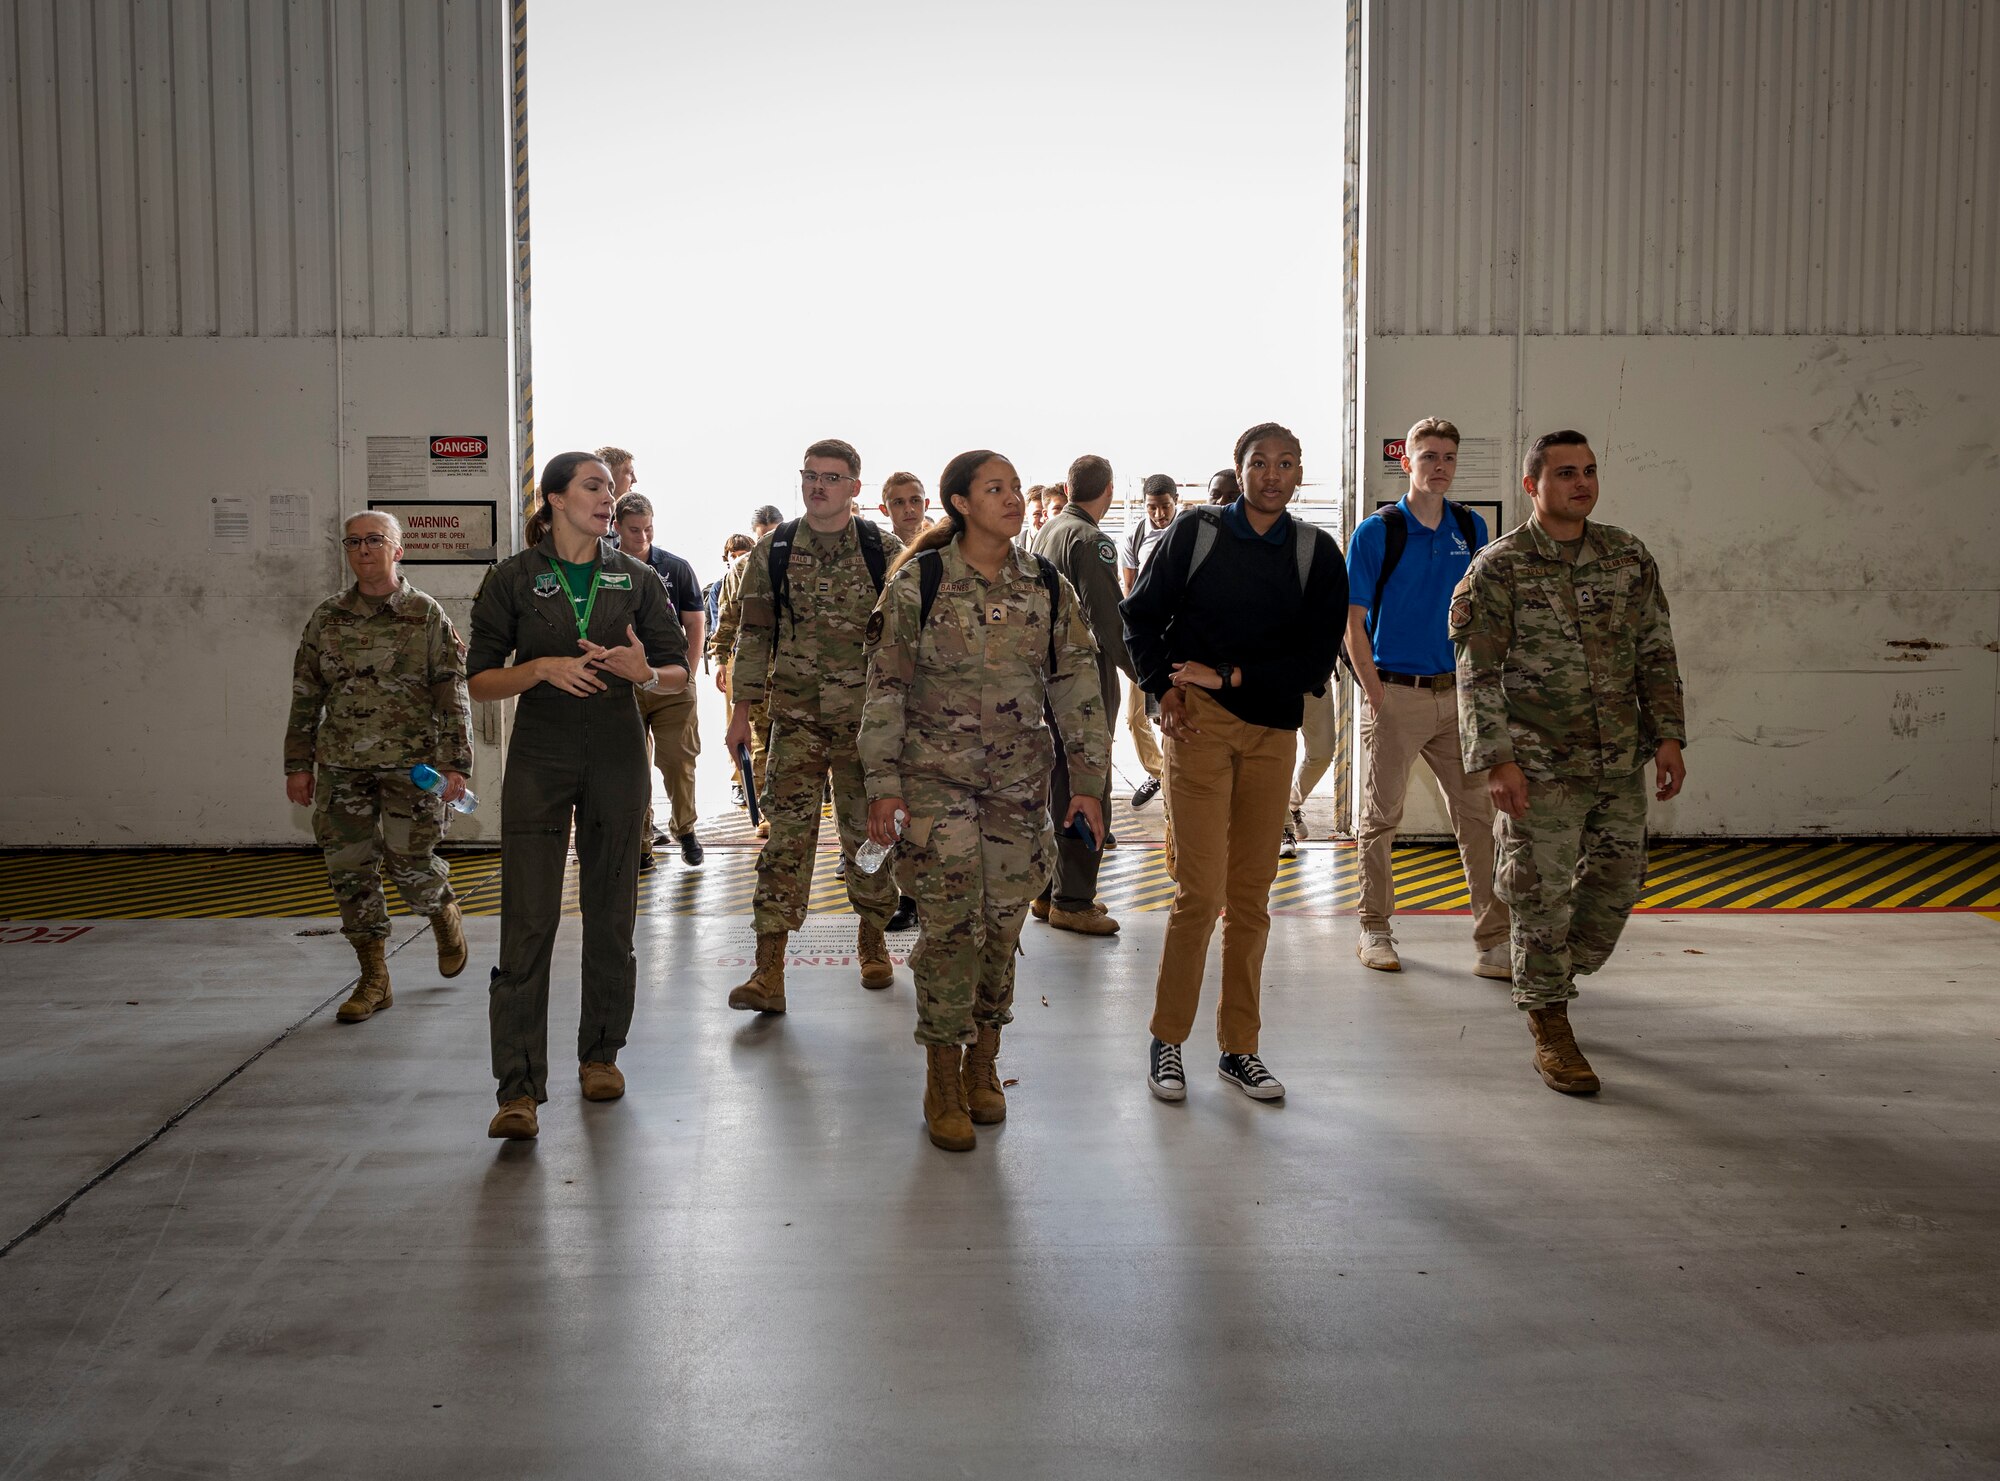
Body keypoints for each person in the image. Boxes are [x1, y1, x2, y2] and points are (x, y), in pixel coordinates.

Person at [859, 449, 1108, 1151]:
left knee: (1001, 927)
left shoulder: (1047, 585)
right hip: (935, 787)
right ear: (962, 503)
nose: (1011, 499)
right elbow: (885, 690)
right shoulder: (920, 584)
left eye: (1012, 487)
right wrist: (883, 786)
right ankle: (942, 1076)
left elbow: (1076, 685)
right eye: (993, 489)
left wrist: (1089, 782)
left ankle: (984, 1065)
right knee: (949, 931)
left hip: (1016, 790)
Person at [1451, 430, 1686, 1095]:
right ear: (1533, 486)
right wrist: (1496, 760)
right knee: (1539, 894)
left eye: (1588, 471)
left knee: (1615, 889)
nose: (1580, 483)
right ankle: (1549, 1021)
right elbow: (1478, 673)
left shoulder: (1626, 556)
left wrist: (1668, 735)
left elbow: (1655, 651)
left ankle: (1548, 972)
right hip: (1538, 767)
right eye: (1564, 473)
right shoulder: (1500, 568)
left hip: (1617, 760)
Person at [466, 452, 690, 1141]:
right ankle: (518, 1089)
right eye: (594, 487)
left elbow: (679, 673)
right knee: (528, 919)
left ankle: (600, 1054)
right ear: (556, 497)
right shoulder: (513, 578)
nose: (608, 499)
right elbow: (479, 680)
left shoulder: (639, 577)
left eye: (612, 489)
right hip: (540, 753)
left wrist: (644, 670)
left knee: (611, 912)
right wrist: (539, 668)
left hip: (619, 753)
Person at [1122, 423, 1346, 1106]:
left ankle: (1239, 1048)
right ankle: (1167, 1039)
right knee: (1201, 892)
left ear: (1299, 472)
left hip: (1273, 731)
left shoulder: (1316, 552)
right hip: (1200, 727)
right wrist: (1164, 689)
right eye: (1259, 463)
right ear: (1238, 468)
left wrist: (1229, 674)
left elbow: (1314, 662)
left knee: (1251, 899)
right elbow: (1138, 616)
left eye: (1285, 464)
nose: (1272, 475)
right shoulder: (1196, 535)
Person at [723, 440, 903, 1013]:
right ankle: (768, 972)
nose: (817, 486)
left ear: (855, 487)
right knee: (784, 844)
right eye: (810, 476)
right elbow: (753, 637)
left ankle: (873, 939)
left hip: (865, 729)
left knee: (869, 839)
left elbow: (907, 641)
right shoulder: (773, 551)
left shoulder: (885, 550)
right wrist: (741, 713)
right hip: (795, 723)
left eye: (831, 477)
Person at [284, 511, 473, 1023]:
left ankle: (442, 910)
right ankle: (374, 979)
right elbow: (306, 693)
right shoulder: (327, 618)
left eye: (374, 540)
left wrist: (456, 764)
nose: (363, 550)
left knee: (410, 863)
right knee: (350, 871)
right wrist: (297, 764)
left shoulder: (425, 614)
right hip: (342, 766)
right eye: (353, 542)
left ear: (398, 549)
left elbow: (452, 693)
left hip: (411, 768)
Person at [1343, 416, 1507, 974]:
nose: (1439, 467)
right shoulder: (1377, 532)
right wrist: (1376, 695)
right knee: (1380, 817)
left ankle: (1492, 941)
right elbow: (1353, 623)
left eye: (1449, 458)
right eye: (1429, 456)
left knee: (1479, 818)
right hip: (1396, 694)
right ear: (1405, 462)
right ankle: (1374, 930)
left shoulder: (1471, 528)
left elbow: (1481, 613)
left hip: (1458, 698)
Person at [1027, 454, 1133, 935]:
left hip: (1046, 675)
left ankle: (1048, 891)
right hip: (1084, 676)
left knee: (1055, 783)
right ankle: (1074, 898)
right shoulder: (1092, 540)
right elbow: (1109, 621)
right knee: (1088, 782)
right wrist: (1145, 675)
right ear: (1107, 491)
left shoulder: (1048, 530)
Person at [612, 491, 708, 868]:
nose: (643, 537)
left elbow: (695, 622)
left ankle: (686, 830)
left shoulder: (675, 568)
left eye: (649, 529)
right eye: (634, 530)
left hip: (670, 681)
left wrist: (689, 673)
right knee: (631, 764)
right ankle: (641, 844)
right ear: (617, 527)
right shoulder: (602, 566)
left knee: (678, 760)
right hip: (624, 683)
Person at [710, 504, 785, 827]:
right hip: (756, 670)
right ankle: (769, 814)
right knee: (762, 745)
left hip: (797, 670)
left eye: (774, 533)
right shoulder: (741, 569)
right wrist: (720, 659)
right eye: (762, 536)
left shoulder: (799, 560)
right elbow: (726, 618)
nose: (768, 540)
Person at [1117, 474, 1178, 809]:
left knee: (1173, 716)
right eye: (1152, 507)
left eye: (1164, 506)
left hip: (1177, 640)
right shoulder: (1134, 535)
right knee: (1135, 717)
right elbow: (1129, 591)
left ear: (1176, 501)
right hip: (1146, 640)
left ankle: (1174, 777)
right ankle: (1161, 774)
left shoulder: (1186, 531)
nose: (1158, 514)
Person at [878, 471, 931, 543]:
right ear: (884, 510)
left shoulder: (943, 549)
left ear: (926, 504)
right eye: (899, 503)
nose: (909, 510)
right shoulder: (876, 552)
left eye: (915, 501)